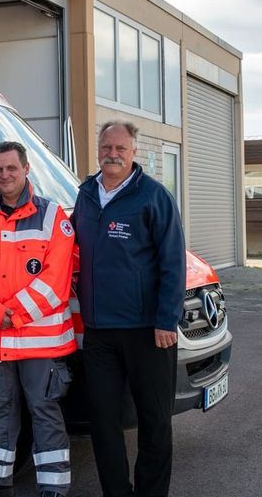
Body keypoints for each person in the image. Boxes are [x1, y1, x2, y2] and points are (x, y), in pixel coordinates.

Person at [71, 121, 185, 497]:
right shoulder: (85, 194)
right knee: (104, 422)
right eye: (106, 147)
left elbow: (173, 263)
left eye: (120, 148)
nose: (112, 154)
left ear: (134, 152)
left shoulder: (154, 197)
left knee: (154, 421)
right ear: (98, 149)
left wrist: (166, 319)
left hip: (147, 331)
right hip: (99, 332)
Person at [0, 141, 77, 497]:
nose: (5, 175)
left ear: (26, 169)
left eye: (11, 168)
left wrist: (14, 316)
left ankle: (53, 489)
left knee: (44, 411)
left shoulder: (53, 217)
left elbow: (55, 282)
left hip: (39, 345)